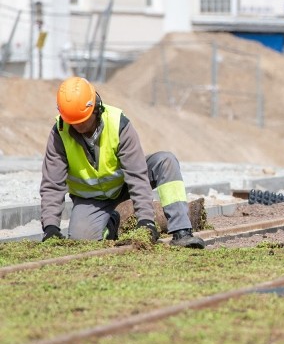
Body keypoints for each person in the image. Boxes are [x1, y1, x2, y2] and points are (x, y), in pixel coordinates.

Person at [40, 77, 205, 248]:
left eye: (83, 120)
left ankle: (182, 231)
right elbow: (52, 185)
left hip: (124, 183)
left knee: (166, 161)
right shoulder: (59, 133)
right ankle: (111, 224)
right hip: (92, 198)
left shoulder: (118, 124)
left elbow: (137, 175)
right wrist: (50, 228)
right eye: (73, 122)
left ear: (95, 108)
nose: (79, 126)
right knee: (81, 240)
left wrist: (146, 221)